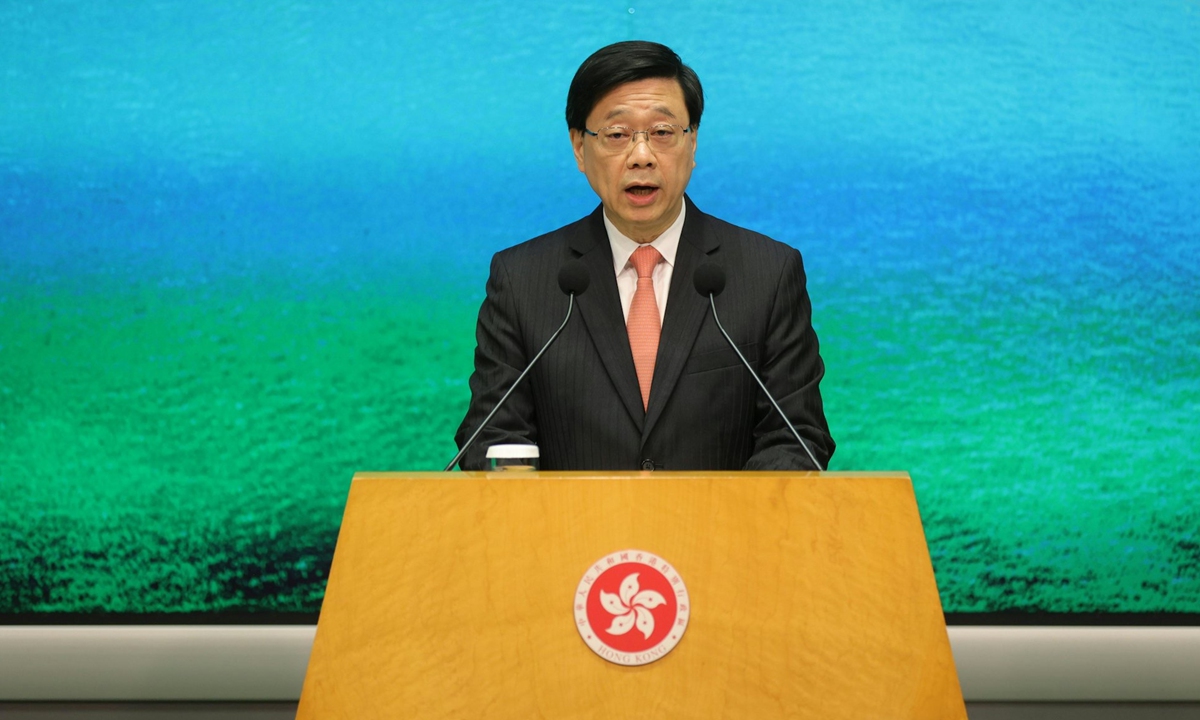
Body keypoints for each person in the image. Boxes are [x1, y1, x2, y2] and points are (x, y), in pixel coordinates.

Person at [454, 40, 834, 471]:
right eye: (617, 135)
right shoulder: (522, 280)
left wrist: (732, 512)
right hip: (574, 518)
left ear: (693, 143)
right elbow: (493, 438)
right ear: (579, 147)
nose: (641, 157)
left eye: (662, 133)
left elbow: (796, 438)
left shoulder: (768, 274)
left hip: (720, 518)